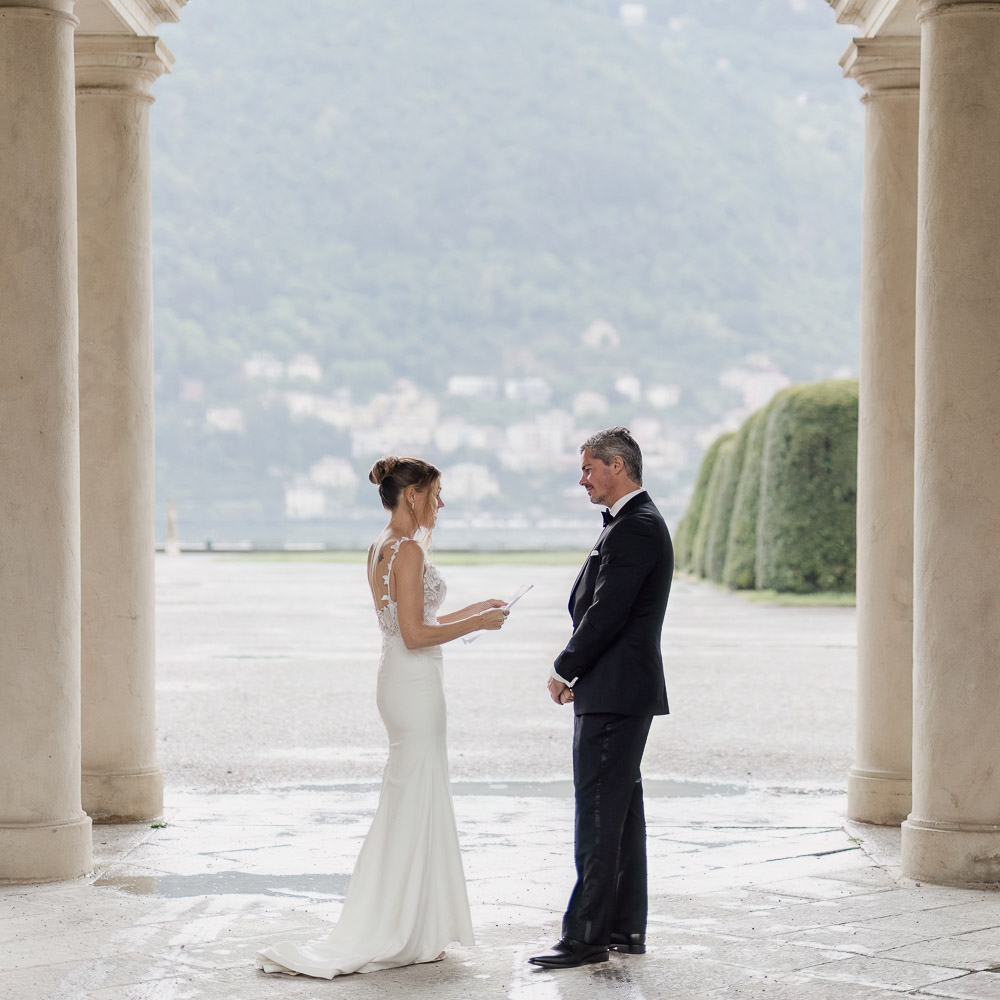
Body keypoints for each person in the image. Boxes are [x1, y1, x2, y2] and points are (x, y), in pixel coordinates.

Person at [256, 456, 509, 979]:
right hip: (414, 683)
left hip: (397, 677)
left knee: (411, 798)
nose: (440, 504)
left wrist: (475, 610)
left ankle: (414, 923)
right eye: (436, 494)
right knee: (416, 798)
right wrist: (477, 623)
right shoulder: (410, 549)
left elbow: (409, 624)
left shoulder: (381, 547)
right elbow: (417, 634)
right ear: (412, 495)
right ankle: (404, 929)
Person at [529, 427, 673, 970]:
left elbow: (606, 611)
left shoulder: (635, 527)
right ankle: (623, 928)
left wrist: (566, 667)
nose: (583, 478)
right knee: (620, 813)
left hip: (613, 692)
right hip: (620, 690)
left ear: (617, 466)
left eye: (589, 469)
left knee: (597, 813)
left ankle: (585, 935)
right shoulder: (632, 524)